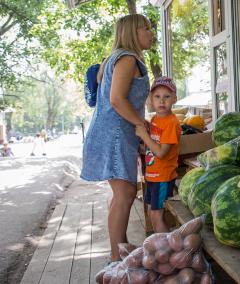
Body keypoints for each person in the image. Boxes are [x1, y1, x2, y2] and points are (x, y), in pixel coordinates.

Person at [80, 14, 153, 264]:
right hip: (114, 135)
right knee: (125, 194)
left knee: (123, 193)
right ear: (133, 32)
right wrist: (140, 123)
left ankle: (120, 248)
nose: (151, 33)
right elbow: (117, 100)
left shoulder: (117, 57)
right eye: (146, 28)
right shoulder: (127, 59)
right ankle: (115, 258)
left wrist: (139, 122)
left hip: (113, 133)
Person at [136, 77, 181, 233]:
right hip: (152, 176)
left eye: (167, 96)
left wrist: (144, 135)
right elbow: (152, 147)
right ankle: (162, 246)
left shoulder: (171, 123)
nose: (162, 101)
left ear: (174, 99)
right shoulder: (155, 119)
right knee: (152, 213)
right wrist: (142, 146)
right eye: (157, 96)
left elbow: (161, 153)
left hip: (163, 177)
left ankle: (166, 251)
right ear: (151, 99)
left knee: (157, 215)